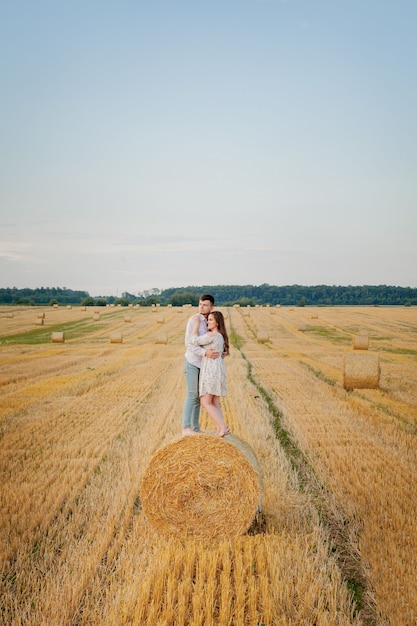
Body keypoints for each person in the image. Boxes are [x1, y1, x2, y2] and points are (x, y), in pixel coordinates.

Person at [181, 294, 220, 436]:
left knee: (199, 396)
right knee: (192, 394)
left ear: (212, 307)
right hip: (192, 362)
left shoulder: (211, 321)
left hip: (205, 365)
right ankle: (186, 428)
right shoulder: (193, 320)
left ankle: (195, 428)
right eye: (200, 304)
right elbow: (189, 343)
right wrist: (205, 353)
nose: (201, 307)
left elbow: (216, 339)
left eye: (205, 305)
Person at [190, 310, 231, 437]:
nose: (208, 322)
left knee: (205, 401)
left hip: (211, 371)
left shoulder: (212, 335)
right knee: (214, 402)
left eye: (211, 320)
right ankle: (220, 428)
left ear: (217, 323)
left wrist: (196, 323)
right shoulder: (220, 336)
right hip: (218, 369)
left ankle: (223, 426)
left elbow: (193, 340)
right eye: (208, 319)